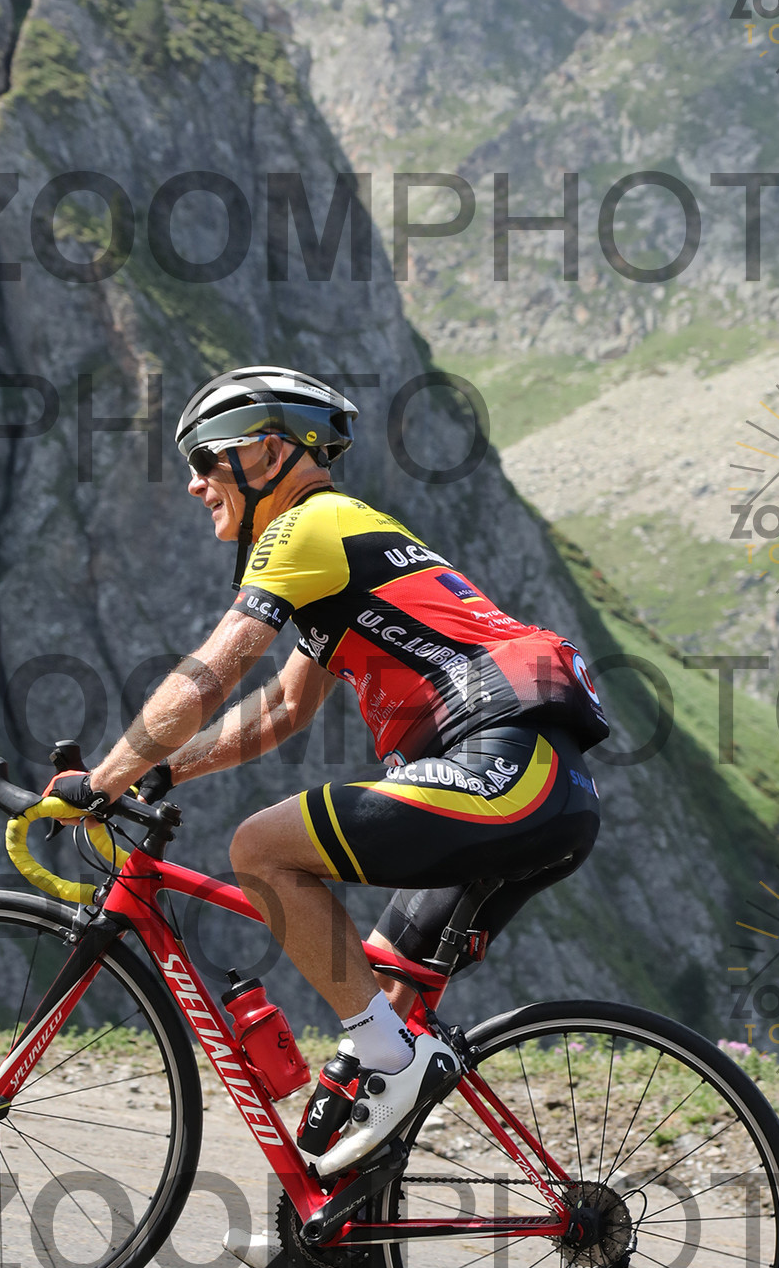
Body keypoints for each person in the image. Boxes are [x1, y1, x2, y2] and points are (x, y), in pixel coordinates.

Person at [44, 366, 608, 1181]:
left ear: (271, 452)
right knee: (372, 1005)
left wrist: (103, 778)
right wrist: (160, 771)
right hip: (544, 788)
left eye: (205, 459)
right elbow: (282, 709)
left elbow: (213, 672)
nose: (195, 483)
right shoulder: (344, 542)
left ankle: (399, 1068)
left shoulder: (306, 528)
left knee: (260, 850)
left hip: (509, 770)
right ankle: (329, 1216)